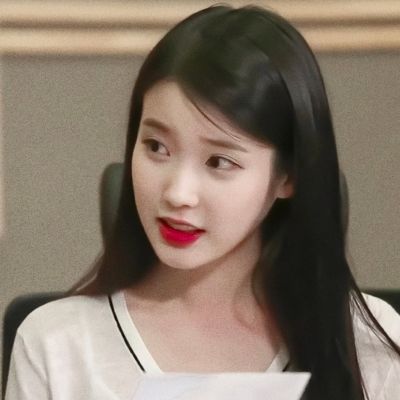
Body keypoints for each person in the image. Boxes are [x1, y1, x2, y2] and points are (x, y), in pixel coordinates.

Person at [5, 5, 400, 400]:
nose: (178, 193)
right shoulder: (56, 345)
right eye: (156, 147)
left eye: (219, 162)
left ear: (288, 176)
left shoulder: (367, 343)